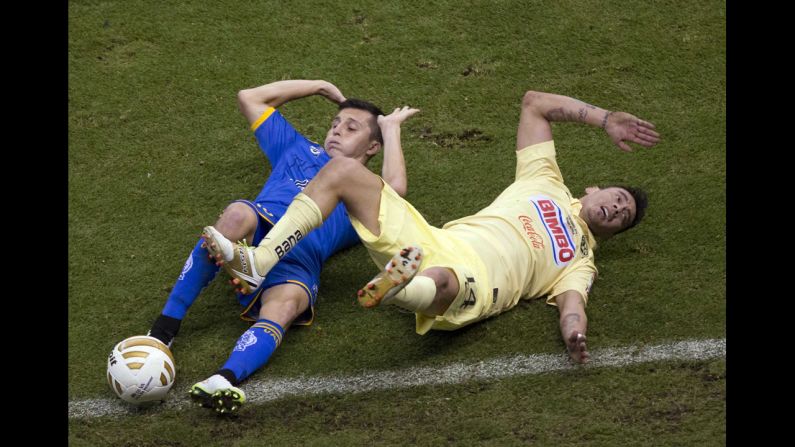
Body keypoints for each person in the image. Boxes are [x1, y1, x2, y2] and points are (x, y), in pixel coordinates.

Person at [202, 89, 659, 371]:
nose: (618, 207)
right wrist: (604, 118)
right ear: (593, 188)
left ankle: (399, 290)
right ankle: (261, 261)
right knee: (342, 171)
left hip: (480, 280)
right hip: (435, 238)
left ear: (615, 233)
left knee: (441, 281)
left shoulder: (581, 260)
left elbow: (573, 307)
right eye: (617, 196)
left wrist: (574, 334)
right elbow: (534, 104)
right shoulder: (546, 181)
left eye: (625, 215)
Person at [146, 79, 419, 414]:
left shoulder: (359, 191)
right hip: (258, 225)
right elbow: (250, 98)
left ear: (372, 147)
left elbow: (396, 191)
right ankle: (162, 332)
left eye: (350, 128)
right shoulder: (298, 148)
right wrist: (317, 86)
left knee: (288, 304)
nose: (336, 131)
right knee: (234, 215)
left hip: (300, 261)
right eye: (334, 124)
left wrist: (390, 129)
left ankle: (225, 378)